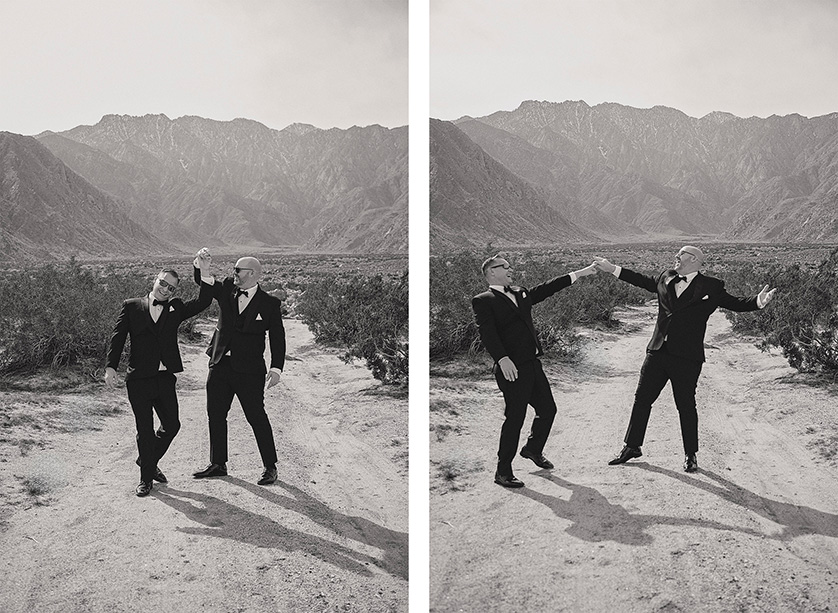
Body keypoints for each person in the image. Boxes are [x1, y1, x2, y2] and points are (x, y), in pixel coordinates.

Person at [593, 246, 776, 473]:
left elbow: (734, 303)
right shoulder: (666, 276)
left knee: (686, 406)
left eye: (680, 256)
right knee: (642, 399)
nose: (675, 259)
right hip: (657, 352)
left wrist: (757, 302)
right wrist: (612, 269)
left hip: (687, 358)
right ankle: (631, 446)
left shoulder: (712, 286)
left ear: (694, 260)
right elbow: (641, 281)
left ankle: (691, 455)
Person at [472, 254, 597, 488]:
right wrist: (502, 359)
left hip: (532, 364)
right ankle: (503, 471)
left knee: (548, 409)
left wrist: (580, 273)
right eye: (505, 267)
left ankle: (532, 449)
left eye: (510, 266)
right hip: (512, 368)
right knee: (515, 418)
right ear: (491, 273)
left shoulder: (520, 292)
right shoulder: (483, 300)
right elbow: (487, 333)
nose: (511, 270)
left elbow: (548, 288)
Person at [105, 252, 214, 497]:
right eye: (163, 283)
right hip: (139, 379)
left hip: (165, 378)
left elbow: (203, 302)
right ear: (155, 280)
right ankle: (146, 480)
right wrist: (111, 367)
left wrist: (204, 272)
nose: (166, 289)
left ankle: (147, 460)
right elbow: (118, 336)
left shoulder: (175, 308)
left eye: (171, 287)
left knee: (172, 425)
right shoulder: (132, 305)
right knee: (144, 430)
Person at [190, 249, 285, 486]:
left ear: (252, 274)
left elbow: (277, 337)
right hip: (220, 364)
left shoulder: (270, 303)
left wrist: (276, 368)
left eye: (238, 270)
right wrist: (201, 266)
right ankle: (218, 464)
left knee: (256, 416)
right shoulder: (226, 289)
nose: (234, 273)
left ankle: (270, 467)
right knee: (216, 414)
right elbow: (204, 284)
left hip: (251, 371)